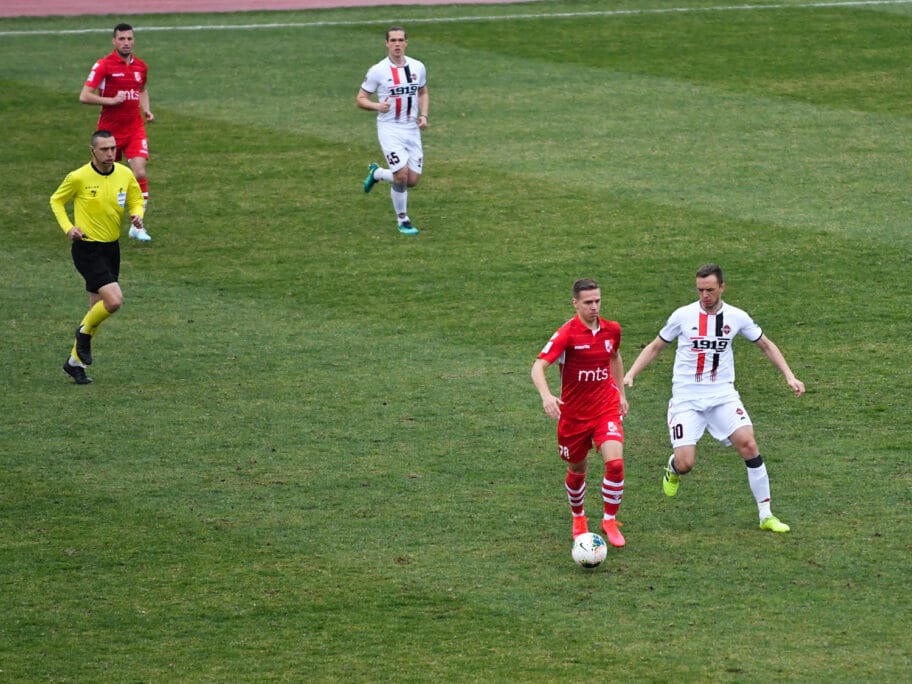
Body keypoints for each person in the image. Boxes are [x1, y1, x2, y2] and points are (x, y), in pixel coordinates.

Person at [623, 263, 805, 533]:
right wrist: (631, 374)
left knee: (749, 444)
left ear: (722, 287)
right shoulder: (683, 316)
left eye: (709, 289)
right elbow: (656, 346)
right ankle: (672, 468)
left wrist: (790, 376)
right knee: (686, 463)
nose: (704, 295)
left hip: (722, 395)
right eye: (700, 290)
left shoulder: (737, 317)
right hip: (686, 398)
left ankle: (766, 515)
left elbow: (766, 345)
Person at [531, 279, 629, 547]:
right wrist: (546, 396)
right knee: (577, 469)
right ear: (575, 303)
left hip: (605, 408)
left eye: (597, 301)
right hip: (574, 416)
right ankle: (579, 517)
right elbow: (538, 367)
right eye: (588, 302)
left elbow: (615, 357)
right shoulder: (567, 334)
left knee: (616, 464)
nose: (594, 307)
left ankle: (609, 520)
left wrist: (620, 393)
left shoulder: (612, 330)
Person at [50, 130, 145, 385]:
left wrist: (137, 215)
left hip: (111, 249)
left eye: (113, 148)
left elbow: (136, 199)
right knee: (113, 301)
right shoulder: (79, 177)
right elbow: (56, 201)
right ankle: (82, 336)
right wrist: (69, 228)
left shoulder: (124, 174)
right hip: (87, 249)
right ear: (92, 150)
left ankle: (74, 363)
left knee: (96, 310)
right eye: (104, 149)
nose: (110, 154)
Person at [80, 22, 154, 242]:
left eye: (130, 38)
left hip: (134, 128)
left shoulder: (141, 66)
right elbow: (84, 96)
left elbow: (142, 89)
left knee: (139, 172)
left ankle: (137, 225)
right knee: (102, 178)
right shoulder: (104, 65)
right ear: (114, 41)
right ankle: (93, 222)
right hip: (109, 132)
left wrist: (146, 109)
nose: (126, 43)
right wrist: (110, 100)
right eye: (122, 39)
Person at [357, 26, 429, 236]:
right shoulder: (378, 71)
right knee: (401, 176)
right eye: (393, 40)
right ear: (386, 44)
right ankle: (403, 220)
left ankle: (377, 173)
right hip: (390, 129)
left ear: (406, 42)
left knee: (412, 180)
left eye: (400, 40)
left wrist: (423, 116)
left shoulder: (418, 67)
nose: (397, 44)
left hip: (411, 129)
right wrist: (377, 106)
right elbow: (360, 99)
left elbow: (423, 92)